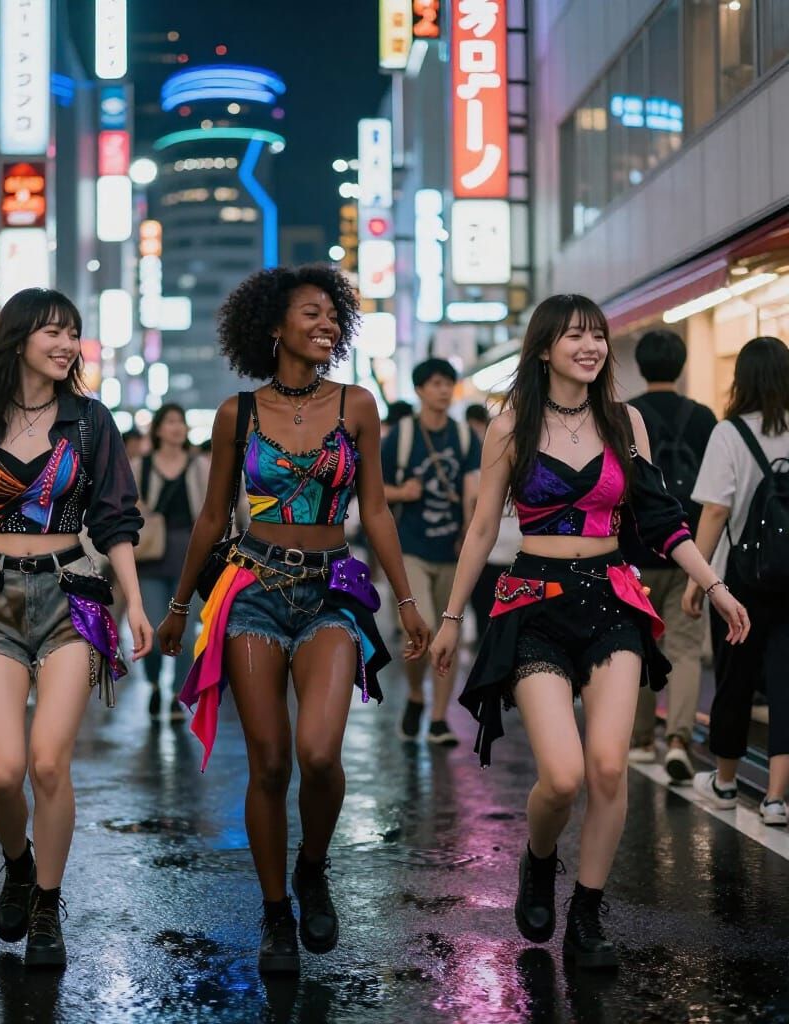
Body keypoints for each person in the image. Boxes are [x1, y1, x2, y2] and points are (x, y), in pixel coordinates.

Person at [429, 294, 748, 970]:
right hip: (534, 603)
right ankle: (539, 860)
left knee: (608, 766)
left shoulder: (625, 420)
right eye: (574, 335)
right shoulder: (511, 426)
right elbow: (483, 527)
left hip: (611, 598)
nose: (590, 345)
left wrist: (713, 584)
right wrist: (453, 616)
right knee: (565, 776)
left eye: (597, 335)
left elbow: (661, 517)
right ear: (545, 348)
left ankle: (589, 915)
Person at [156, 265, 430, 976]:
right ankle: (276, 911)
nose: (327, 325)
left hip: (333, 592)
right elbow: (214, 517)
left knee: (318, 754)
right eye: (312, 314)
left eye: (333, 316)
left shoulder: (358, 406)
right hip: (251, 594)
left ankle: (313, 865)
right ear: (274, 328)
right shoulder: (236, 415)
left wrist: (405, 599)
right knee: (270, 762)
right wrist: (180, 607)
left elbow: (374, 511)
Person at [0, 287, 150, 970]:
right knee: (3, 771)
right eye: (52, 331)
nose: (67, 344)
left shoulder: (90, 421)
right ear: (18, 339)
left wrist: (131, 600)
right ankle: (18, 863)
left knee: (48, 761)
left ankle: (47, 904)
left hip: (73, 598)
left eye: (72, 332)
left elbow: (115, 521)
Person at [684, 336, 789, 826]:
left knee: (735, 679)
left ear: (741, 379)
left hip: (738, 581)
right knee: (786, 683)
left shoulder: (728, 433)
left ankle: (725, 782)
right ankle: (775, 799)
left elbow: (715, 511)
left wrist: (698, 578)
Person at [626, 330, 716, 780]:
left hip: (635, 550)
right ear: (681, 366)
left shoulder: (624, 416)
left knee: (640, 645)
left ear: (640, 366)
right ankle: (679, 738)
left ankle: (641, 740)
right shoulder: (702, 418)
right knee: (683, 647)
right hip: (686, 549)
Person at [381, 358, 480, 744]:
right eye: (435, 383)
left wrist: (469, 533)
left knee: (447, 634)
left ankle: (439, 718)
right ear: (420, 389)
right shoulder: (400, 436)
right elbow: (372, 489)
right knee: (419, 631)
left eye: (447, 384)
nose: (442, 390)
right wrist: (402, 493)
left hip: (452, 550)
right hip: (411, 548)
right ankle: (416, 693)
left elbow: (473, 490)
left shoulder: (465, 437)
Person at [132, 403, 208, 721]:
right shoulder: (141, 466)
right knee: (148, 628)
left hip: (187, 554)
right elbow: (126, 505)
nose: (177, 427)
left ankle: (177, 693)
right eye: (171, 422)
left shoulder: (199, 465)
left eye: (181, 422)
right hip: (149, 554)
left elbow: (211, 511)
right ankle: (152, 686)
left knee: (186, 633)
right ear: (159, 428)